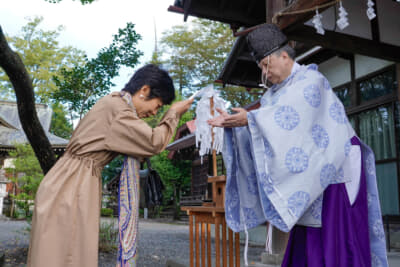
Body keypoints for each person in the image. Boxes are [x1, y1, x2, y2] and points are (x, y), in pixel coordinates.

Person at [208, 24, 388, 267]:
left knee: (337, 236)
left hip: (337, 168)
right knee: (310, 236)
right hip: (312, 175)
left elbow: (291, 117)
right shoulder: (273, 96)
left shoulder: (312, 80)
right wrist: (239, 126)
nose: (263, 73)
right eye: (260, 67)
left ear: (284, 56)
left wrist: (250, 119)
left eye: (265, 65)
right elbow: (272, 129)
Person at [27, 64, 193, 267]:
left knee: (60, 253)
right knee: (65, 255)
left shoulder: (113, 103)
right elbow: (153, 142)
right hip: (72, 185)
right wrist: (174, 113)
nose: (154, 112)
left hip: (69, 180)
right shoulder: (119, 110)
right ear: (144, 90)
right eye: (158, 106)